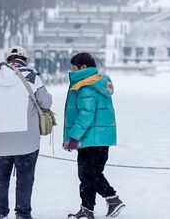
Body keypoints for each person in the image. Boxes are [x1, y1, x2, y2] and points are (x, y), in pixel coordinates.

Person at [0, 46, 53, 219]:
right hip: (27, 140)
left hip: (0, 141)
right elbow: (46, 102)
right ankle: (23, 213)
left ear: (7, 60)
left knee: (0, 179)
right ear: (25, 60)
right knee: (25, 179)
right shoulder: (33, 78)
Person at [64, 53, 125, 219]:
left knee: (89, 175)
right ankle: (87, 209)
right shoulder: (97, 82)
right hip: (100, 137)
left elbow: (86, 114)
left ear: (83, 67)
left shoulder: (85, 86)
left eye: (74, 68)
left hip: (90, 138)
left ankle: (113, 200)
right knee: (89, 175)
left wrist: (73, 137)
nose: (72, 71)